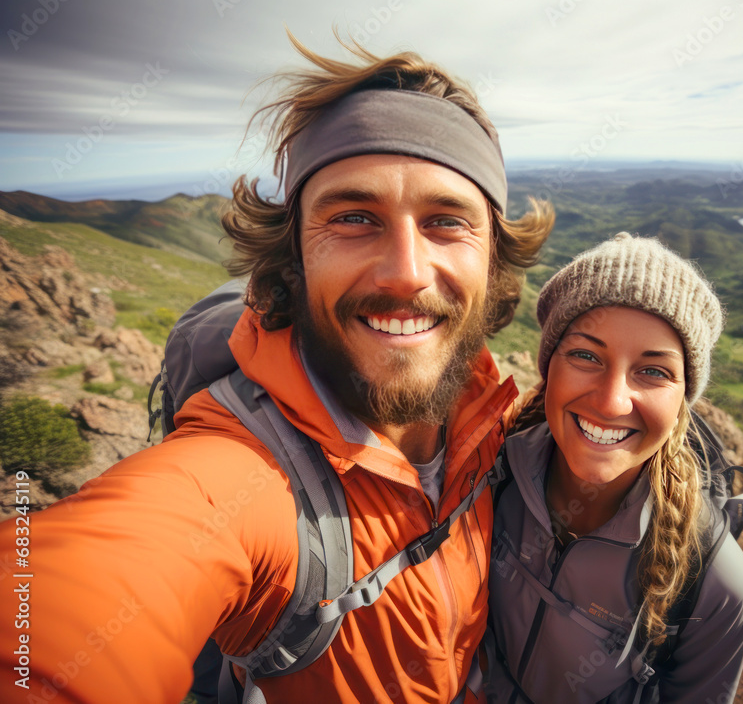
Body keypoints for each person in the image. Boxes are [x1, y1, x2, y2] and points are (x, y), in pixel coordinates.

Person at [0, 38, 553, 703]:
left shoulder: (505, 430)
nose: (405, 270)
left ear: (493, 261)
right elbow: (75, 604)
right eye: (353, 217)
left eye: (446, 221)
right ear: (293, 256)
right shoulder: (245, 478)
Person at [484, 232, 743, 703]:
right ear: (549, 369)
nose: (611, 402)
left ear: (682, 405)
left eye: (653, 371)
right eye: (586, 356)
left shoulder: (716, 586)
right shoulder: (487, 471)